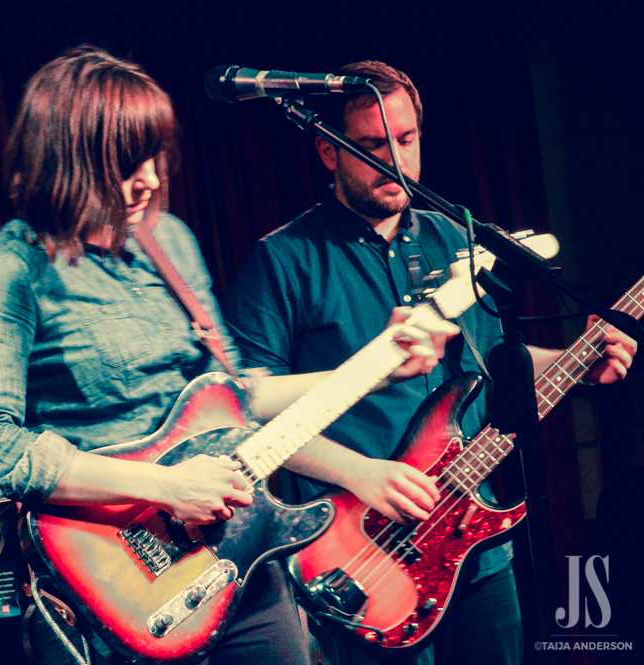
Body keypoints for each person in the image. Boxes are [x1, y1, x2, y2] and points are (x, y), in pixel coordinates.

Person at [0, 48, 454, 665]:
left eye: (153, 157)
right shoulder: (10, 269)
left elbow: (234, 398)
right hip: (121, 573)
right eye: (126, 163)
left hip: (236, 550)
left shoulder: (170, 242)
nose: (149, 180)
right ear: (70, 161)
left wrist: (371, 370)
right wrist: (164, 486)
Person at [219, 60, 637, 665]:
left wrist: (577, 362)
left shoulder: (460, 241)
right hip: (361, 554)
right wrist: (361, 473)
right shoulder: (282, 260)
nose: (394, 160)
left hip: (474, 545)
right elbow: (246, 412)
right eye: (370, 146)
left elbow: (493, 364)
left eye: (406, 139)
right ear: (327, 151)